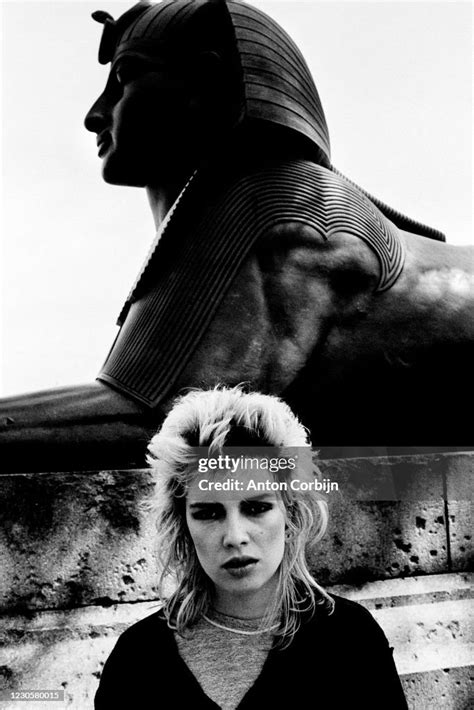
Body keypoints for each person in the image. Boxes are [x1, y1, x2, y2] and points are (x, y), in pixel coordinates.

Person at [1, 0, 472, 474]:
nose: (95, 114)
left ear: (203, 82)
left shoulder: (287, 210)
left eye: (125, 78)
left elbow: (175, 424)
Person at [94, 387, 408, 709]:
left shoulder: (350, 640)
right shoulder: (136, 659)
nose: (234, 536)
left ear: (291, 513)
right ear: (183, 525)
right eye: (209, 513)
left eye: (256, 508)